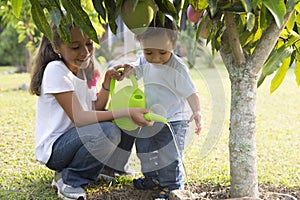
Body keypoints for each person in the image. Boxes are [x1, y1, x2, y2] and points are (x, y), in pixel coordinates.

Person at [29, 21, 152, 200]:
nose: (85, 52)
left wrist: (107, 81)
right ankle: (70, 179)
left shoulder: (82, 71)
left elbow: (95, 108)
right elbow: (80, 117)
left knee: (123, 121)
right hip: (57, 149)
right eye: (75, 47)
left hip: (79, 138)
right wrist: (126, 111)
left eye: (89, 44)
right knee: (109, 129)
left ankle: (110, 169)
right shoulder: (55, 70)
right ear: (57, 47)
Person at [117, 16, 203, 199]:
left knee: (168, 155)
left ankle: (172, 185)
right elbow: (136, 69)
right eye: (149, 52)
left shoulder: (177, 68)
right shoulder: (144, 60)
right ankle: (153, 178)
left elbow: (191, 93)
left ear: (173, 44)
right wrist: (128, 70)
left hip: (174, 119)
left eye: (162, 52)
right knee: (144, 148)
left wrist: (197, 111)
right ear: (141, 44)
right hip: (150, 118)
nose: (155, 58)